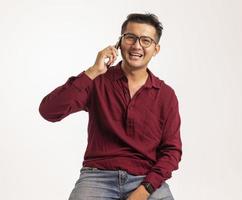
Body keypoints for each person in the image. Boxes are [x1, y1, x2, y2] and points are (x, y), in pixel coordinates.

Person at [39, 13, 182, 200]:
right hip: (97, 176)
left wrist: (144, 190)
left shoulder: (165, 94)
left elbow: (172, 151)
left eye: (146, 40)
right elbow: (49, 111)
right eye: (130, 37)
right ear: (119, 43)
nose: (137, 45)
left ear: (156, 49)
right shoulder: (97, 81)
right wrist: (93, 71)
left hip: (146, 179)